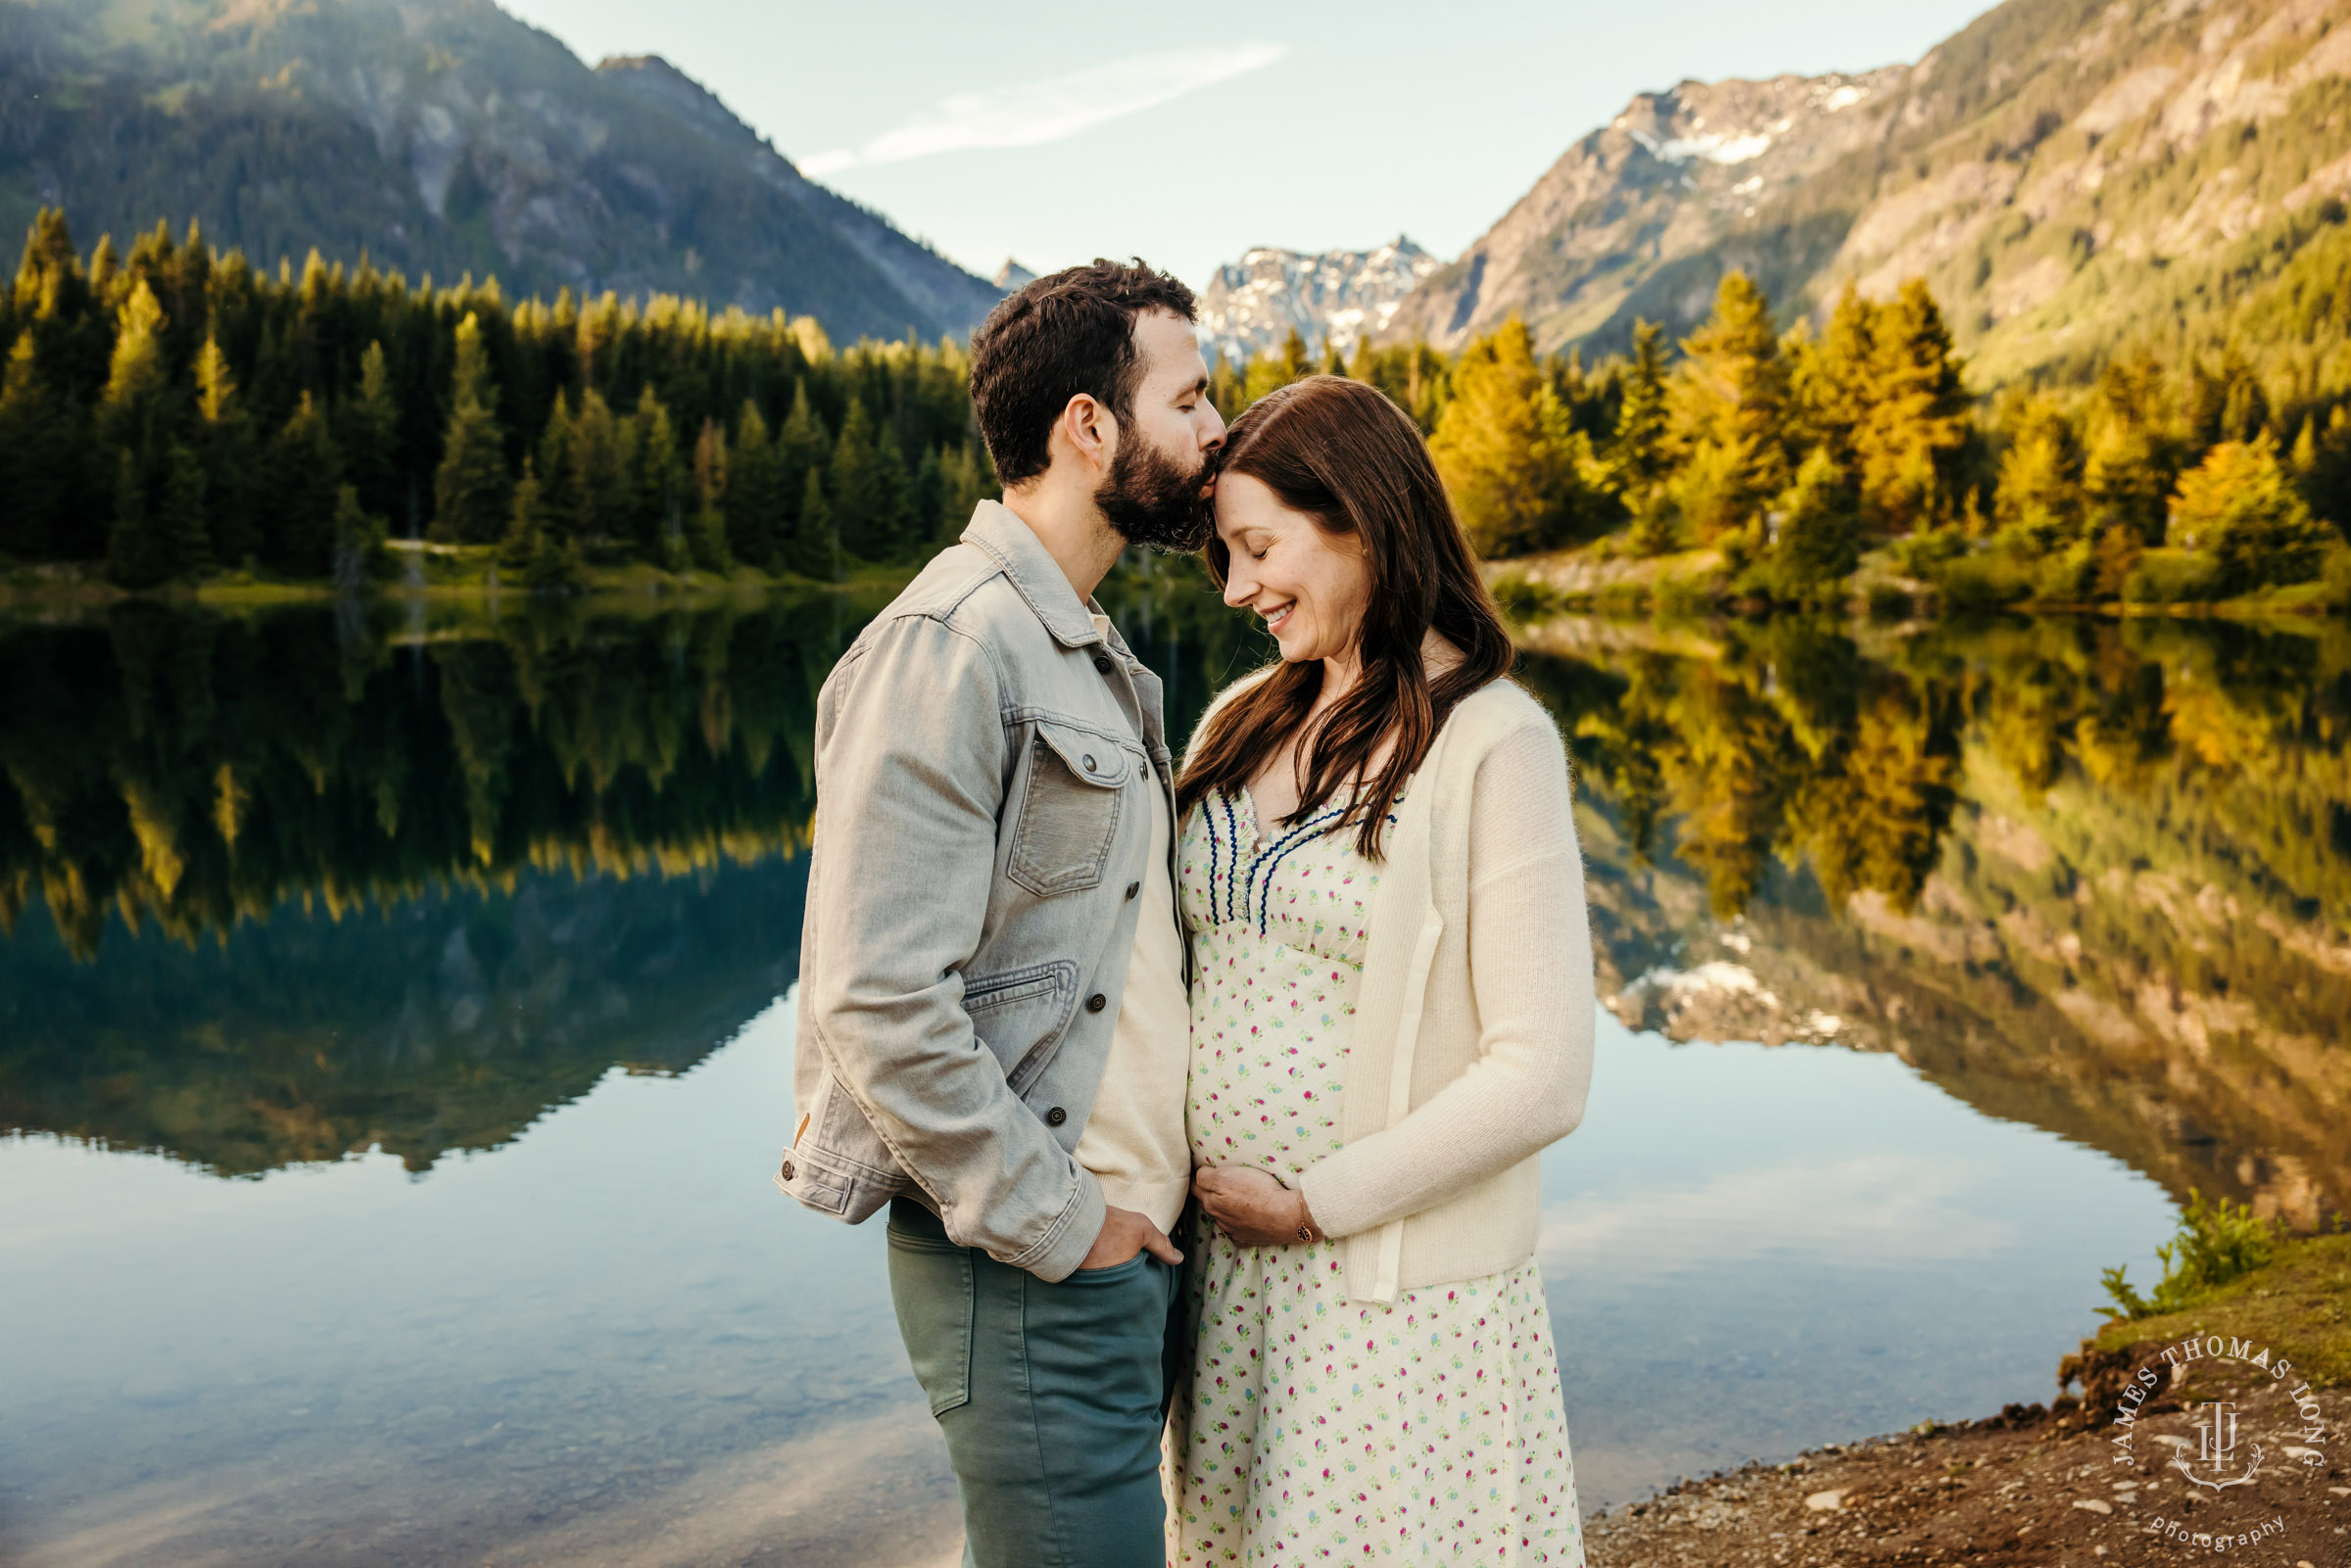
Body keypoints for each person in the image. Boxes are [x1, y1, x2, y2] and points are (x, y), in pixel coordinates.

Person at [777, 260, 1224, 1568]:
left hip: (1115, 1249)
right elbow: (873, 998)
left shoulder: (1074, 646)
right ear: (1090, 425)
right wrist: (1070, 1226)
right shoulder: (953, 644)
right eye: (1190, 399)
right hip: (1032, 1264)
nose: (1214, 434)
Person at [1164, 374, 1597, 1564]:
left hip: (1389, 1293)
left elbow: (1544, 1072)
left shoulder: (1490, 741)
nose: (1238, 586)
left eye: (1258, 547)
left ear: (1359, 516)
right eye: (1225, 556)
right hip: (1230, 1286)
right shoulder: (1235, 721)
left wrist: (1316, 1204)